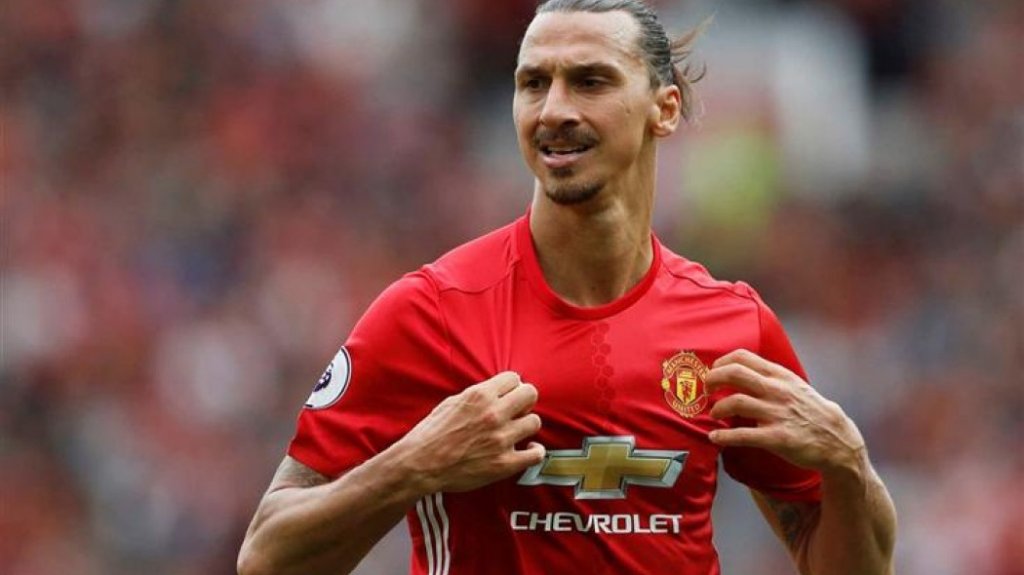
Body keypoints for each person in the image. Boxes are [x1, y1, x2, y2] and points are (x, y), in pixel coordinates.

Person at [237, 1, 897, 574]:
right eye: (534, 83)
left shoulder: (732, 326)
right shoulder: (432, 311)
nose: (554, 109)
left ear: (664, 108)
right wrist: (414, 465)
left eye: (589, 81)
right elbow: (266, 555)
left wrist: (848, 464)